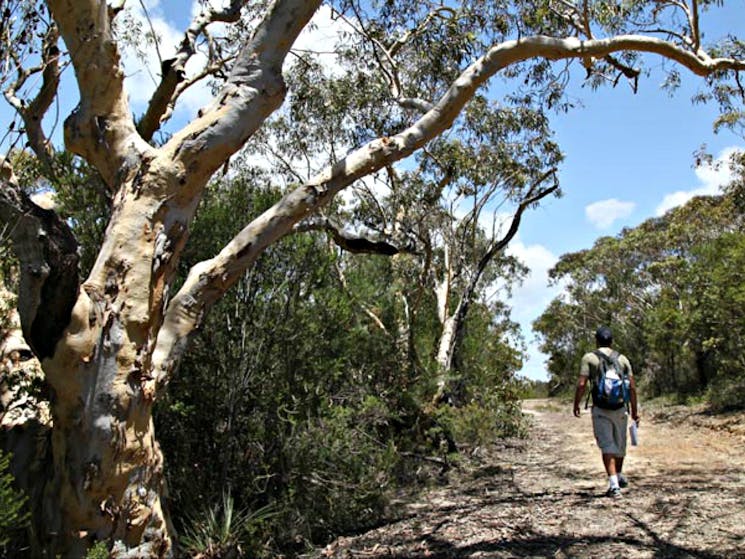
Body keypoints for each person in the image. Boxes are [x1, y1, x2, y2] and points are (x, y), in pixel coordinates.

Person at [573, 326, 639, 498]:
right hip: (620, 408)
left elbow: (581, 384)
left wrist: (576, 403)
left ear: (597, 340)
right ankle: (618, 476)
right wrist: (634, 410)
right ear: (612, 341)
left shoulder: (589, 358)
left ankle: (614, 484)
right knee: (619, 444)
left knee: (607, 445)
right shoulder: (622, 359)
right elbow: (632, 387)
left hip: (601, 408)